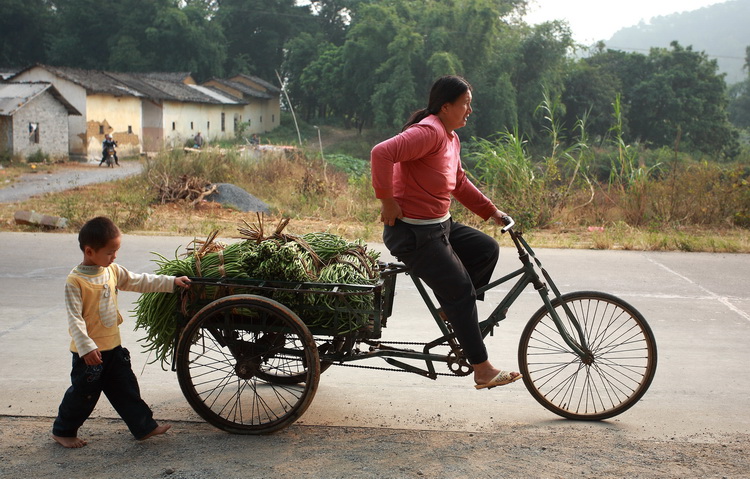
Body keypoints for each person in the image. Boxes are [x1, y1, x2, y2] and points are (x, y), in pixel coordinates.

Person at [370, 75, 522, 390]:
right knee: (462, 292)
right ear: (446, 106)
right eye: (465, 104)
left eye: (470, 104)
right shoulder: (428, 132)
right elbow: (381, 153)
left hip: (439, 225)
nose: (469, 110)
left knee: (486, 250)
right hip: (413, 234)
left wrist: (492, 212)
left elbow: (460, 183)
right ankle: (482, 369)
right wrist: (387, 202)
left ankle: (452, 310)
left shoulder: (450, 138)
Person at [52, 216, 191, 448]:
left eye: (116, 251)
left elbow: (139, 281)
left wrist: (171, 282)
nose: (114, 256)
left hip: (113, 349)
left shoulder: (112, 271)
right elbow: (75, 319)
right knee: (83, 395)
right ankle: (63, 431)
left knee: (126, 388)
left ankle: (144, 427)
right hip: (89, 355)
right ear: (89, 251)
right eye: (110, 252)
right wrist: (86, 347)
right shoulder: (75, 281)